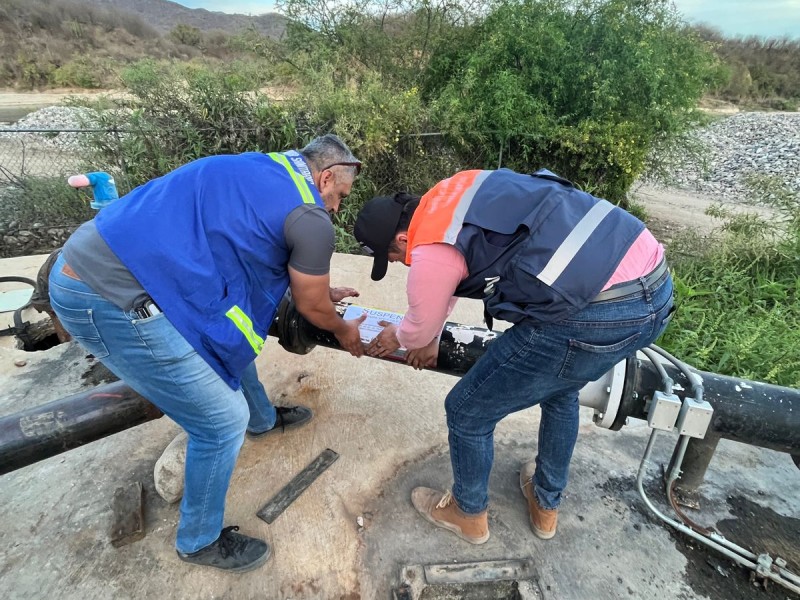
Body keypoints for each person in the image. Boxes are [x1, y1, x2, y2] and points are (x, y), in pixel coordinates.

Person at [49, 134, 367, 572]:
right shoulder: (312, 217)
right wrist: (342, 328)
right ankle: (198, 540)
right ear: (326, 176)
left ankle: (264, 420)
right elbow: (311, 307)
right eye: (339, 197)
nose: (335, 208)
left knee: (233, 337)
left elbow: (259, 249)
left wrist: (315, 283)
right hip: (107, 295)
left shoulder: (262, 167)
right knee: (220, 421)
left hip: (105, 259)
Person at [353, 168, 674, 544]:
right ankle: (545, 503)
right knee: (560, 389)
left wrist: (403, 335)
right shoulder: (451, 194)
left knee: (467, 410)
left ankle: (468, 513)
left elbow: (422, 316)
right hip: (654, 290)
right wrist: (431, 331)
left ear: (403, 237)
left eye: (392, 256)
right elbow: (454, 272)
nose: (398, 263)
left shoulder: (429, 247)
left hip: (592, 315)